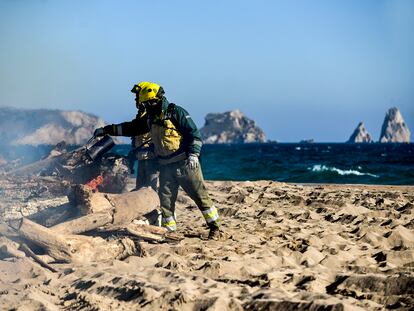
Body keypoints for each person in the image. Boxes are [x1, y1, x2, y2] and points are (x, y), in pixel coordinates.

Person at [94, 81, 221, 239]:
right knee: (166, 203)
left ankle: (215, 228)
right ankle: (169, 232)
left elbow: (194, 134)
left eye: (145, 103)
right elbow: (131, 128)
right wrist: (106, 130)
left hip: (185, 164)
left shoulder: (177, 113)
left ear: (152, 101)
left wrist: (193, 154)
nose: (143, 106)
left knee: (199, 196)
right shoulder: (150, 118)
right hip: (166, 166)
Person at [128, 102, 158, 192]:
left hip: (151, 158)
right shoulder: (139, 120)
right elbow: (135, 141)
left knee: (151, 187)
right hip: (141, 157)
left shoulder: (152, 119)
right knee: (140, 186)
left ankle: (154, 203)